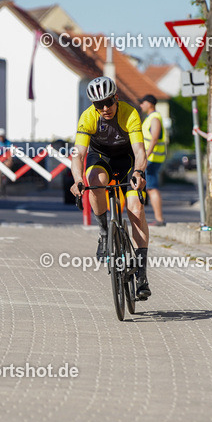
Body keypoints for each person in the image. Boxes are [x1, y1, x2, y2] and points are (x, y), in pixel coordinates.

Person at [70, 76, 152, 300]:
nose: (105, 108)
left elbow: (139, 151)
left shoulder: (129, 113)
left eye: (108, 102)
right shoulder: (87, 117)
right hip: (102, 159)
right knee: (93, 179)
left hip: (127, 162)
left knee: (135, 208)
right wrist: (77, 180)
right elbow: (78, 155)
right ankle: (105, 230)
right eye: (99, 105)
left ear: (116, 97)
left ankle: (141, 275)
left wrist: (138, 173)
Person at [139, 94, 167, 226]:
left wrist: (145, 156)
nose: (141, 105)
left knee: (151, 188)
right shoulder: (152, 117)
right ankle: (158, 218)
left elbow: (154, 138)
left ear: (149, 103)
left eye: (142, 103)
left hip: (152, 158)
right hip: (153, 157)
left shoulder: (154, 118)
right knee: (149, 187)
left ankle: (159, 219)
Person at [0, 128, 14, 197]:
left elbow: (10, 152)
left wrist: (10, 161)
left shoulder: (7, 142)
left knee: (6, 168)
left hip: (5, 159)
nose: (0, 138)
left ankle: (4, 182)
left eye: (2, 136)